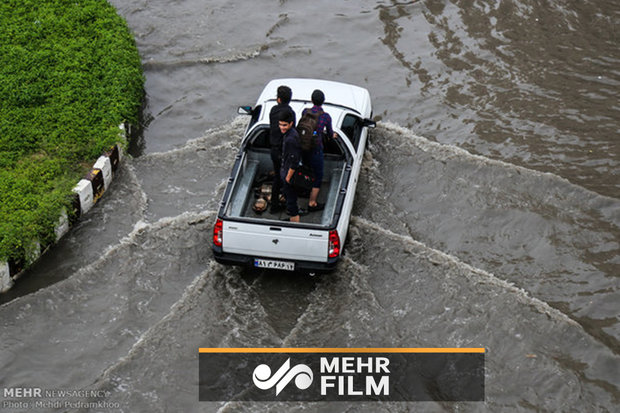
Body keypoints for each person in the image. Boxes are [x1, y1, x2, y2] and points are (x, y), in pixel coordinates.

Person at [301, 89, 338, 211]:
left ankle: (305, 190)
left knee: (306, 170)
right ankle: (312, 203)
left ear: (312, 100)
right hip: (316, 149)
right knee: (318, 175)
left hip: (304, 147)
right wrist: (333, 135)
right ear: (323, 102)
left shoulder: (305, 112)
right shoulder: (325, 117)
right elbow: (330, 133)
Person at [268, 85, 295, 214]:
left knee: (278, 177)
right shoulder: (290, 113)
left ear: (278, 99)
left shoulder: (273, 110)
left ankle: (275, 204)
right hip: (284, 151)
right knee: (286, 178)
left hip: (274, 150)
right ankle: (285, 203)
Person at [279, 110, 306, 222]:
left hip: (289, 174)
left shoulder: (290, 139)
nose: (282, 127)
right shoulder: (292, 134)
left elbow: (294, 160)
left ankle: (294, 222)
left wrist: (288, 177)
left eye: (284, 125)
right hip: (287, 171)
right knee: (291, 198)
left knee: (291, 201)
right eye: (280, 124)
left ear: (291, 123)